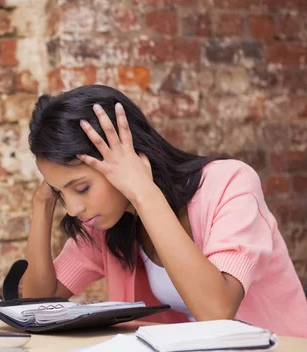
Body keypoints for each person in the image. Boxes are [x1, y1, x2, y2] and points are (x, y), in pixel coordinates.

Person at [22, 84, 307, 338]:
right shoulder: (107, 221)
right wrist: (42, 204)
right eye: (61, 193)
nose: (73, 209)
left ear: (128, 157)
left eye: (82, 188)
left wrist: (144, 192)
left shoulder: (229, 184)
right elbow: (37, 310)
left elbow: (216, 312)